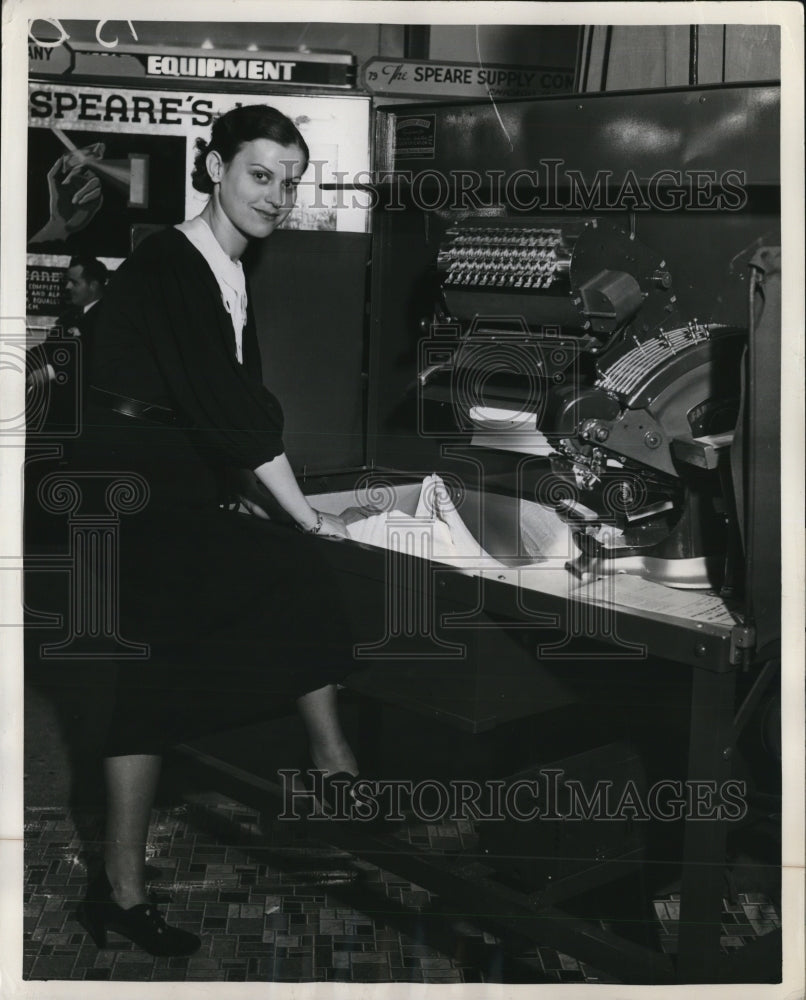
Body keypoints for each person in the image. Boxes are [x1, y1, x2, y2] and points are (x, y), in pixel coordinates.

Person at [74, 105, 359, 957]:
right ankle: (329, 768)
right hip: (130, 490)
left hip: (165, 481)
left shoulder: (229, 266)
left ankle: (327, 765)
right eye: (260, 174)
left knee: (170, 673)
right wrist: (302, 512)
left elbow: (217, 401)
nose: (277, 195)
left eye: (290, 181)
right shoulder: (176, 259)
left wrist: (241, 489)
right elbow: (226, 404)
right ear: (213, 168)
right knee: (284, 576)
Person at [26, 255, 108, 432]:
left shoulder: (110, 317)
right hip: (55, 409)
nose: (67, 287)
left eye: (74, 282)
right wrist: (22, 359)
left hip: (83, 415)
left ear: (93, 285)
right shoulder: (70, 315)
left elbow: (94, 358)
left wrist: (50, 371)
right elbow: (48, 349)